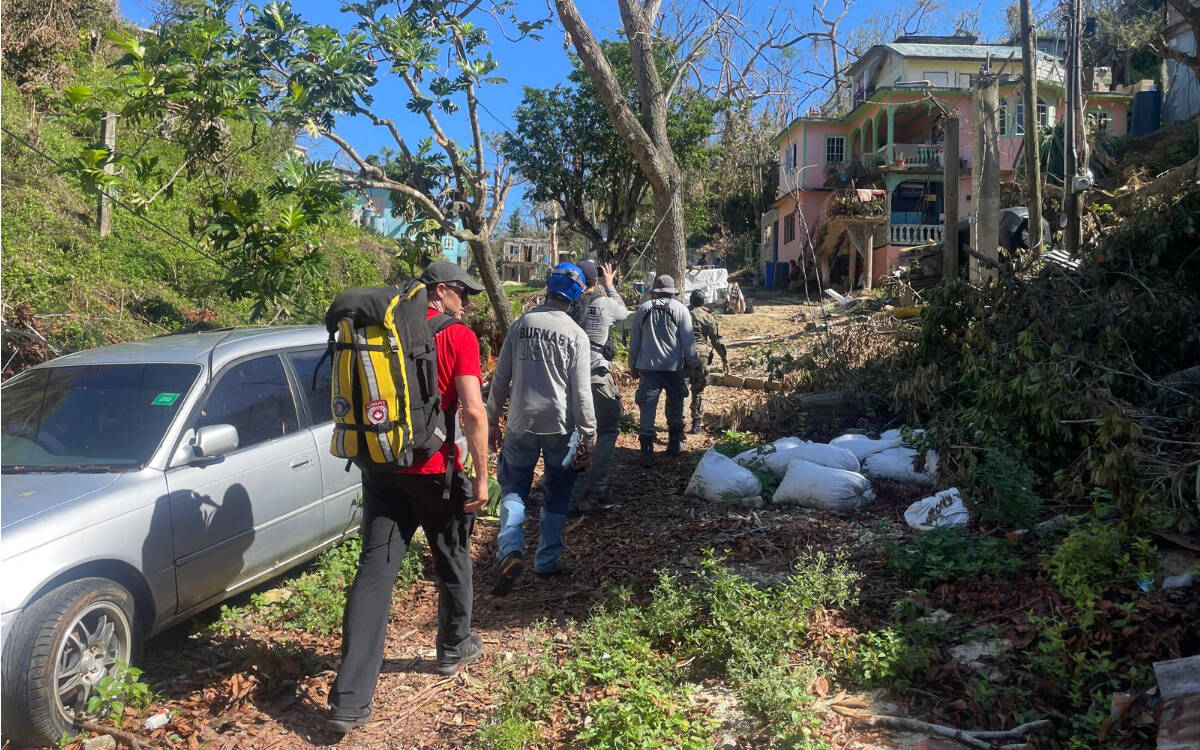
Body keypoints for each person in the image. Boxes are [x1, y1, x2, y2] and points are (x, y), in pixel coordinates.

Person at [329, 262, 490, 733]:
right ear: (441, 291)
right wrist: (482, 477)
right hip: (434, 471)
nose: (468, 301)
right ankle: (453, 646)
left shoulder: (381, 330)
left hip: (381, 467)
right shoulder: (457, 336)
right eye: (464, 292)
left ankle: (350, 699)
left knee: (374, 574)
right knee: (453, 555)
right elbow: (474, 410)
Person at [487, 263, 596, 593]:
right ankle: (546, 563)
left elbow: (501, 377)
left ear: (547, 289)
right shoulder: (576, 334)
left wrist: (492, 420)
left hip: (520, 423)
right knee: (557, 491)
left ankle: (510, 550)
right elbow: (581, 392)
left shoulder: (522, 324)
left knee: (514, 488)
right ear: (575, 298)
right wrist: (589, 434)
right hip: (559, 427)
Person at [568, 260, 629, 513]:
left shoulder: (563, 304)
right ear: (596, 280)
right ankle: (597, 492)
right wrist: (610, 285)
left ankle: (567, 496)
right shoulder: (604, 303)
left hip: (568, 378)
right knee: (606, 431)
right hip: (596, 374)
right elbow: (624, 313)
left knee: (571, 433)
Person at [629, 274, 698, 467]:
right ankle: (675, 444)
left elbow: (635, 342)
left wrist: (632, 365)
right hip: (673, 368)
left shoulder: (643, 309)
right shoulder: (681, 310)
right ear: (672, 292)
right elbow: (688, 341)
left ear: (655, 290)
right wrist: (693, 363)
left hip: (648, 368)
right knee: (675, 404)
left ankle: (646, 452)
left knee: (647, 407)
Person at [686, 289, 729, 434]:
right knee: (697, 390)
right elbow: (716, 340)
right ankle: (696, 423)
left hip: (682, 355)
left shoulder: (682, 314)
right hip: (700, 356)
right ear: (703, 301)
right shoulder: (708, 317)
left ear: (690, 300)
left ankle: (677, 423)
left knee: (677, 390)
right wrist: (724, 359)